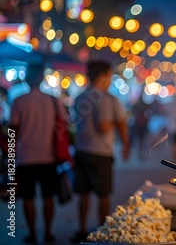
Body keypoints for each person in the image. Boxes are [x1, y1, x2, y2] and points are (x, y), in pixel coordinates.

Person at [71, 61, 130, 242]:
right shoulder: (106, 99)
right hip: (101, 153)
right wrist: (125, 142)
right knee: (103, 194)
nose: (110, 80)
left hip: (81, 151)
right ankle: (103, 230)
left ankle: (82, 229)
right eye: (109, 75)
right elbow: (104, 126)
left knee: (84, 194)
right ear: (102, 76)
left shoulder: (80, 97)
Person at [9, 64, 67, 244]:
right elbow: (64, 125)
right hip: (49, 156)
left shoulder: (19, 101)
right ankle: (48, 232)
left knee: (28, 198)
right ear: (42, 78)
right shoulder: (52, 100)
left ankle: (33, 233)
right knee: (48, 196)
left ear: (26, 78)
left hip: (25, 157)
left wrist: (10, 156)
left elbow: (13, 131)